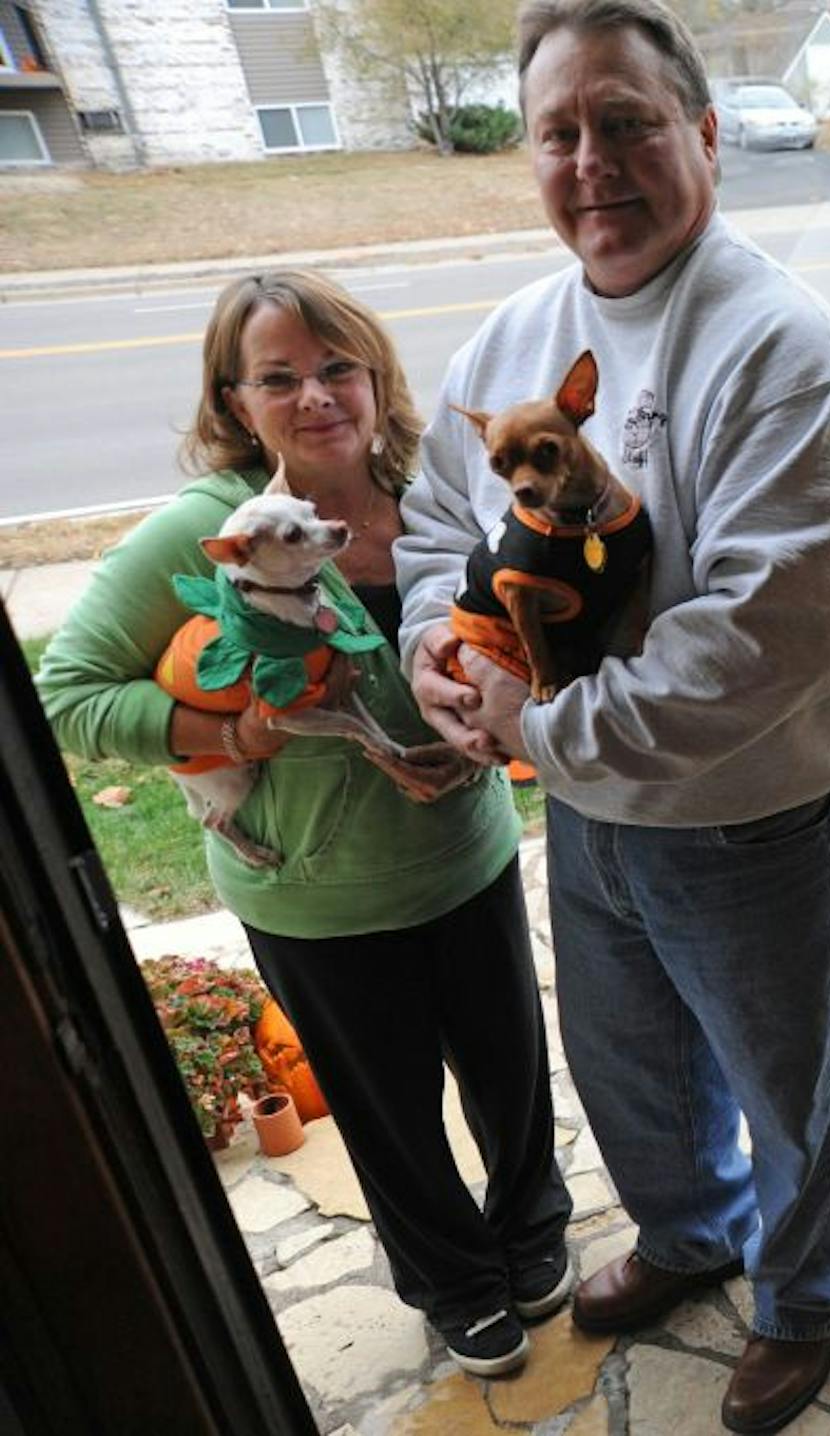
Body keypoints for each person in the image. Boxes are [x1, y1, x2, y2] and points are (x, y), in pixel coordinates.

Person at [394, 1, 830, 1428]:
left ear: (706, 137)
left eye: (627, 122)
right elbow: (442, 521)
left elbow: (764, 642)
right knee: (631, 1063)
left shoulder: (785, 355)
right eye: (560, 131)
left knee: (794, 1084)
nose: (592, 161)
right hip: (587, 803)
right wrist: (438, 644)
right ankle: (690, 1238)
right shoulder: (518, 340)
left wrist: (533, 727)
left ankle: (807, 1298)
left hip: (753, 813)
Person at [37, 271, 573, 1380]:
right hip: (321, 898)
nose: (317, 394)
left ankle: (530, 1232)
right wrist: (227, 738)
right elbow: (66, 691)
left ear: (376, 376)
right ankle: (455, 1282)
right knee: (388, 1114)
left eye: (338, 366)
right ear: (235, 402)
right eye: (279, 377)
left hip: (466, 854)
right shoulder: (210, 533)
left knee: (513, 1074)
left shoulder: (441, 489)